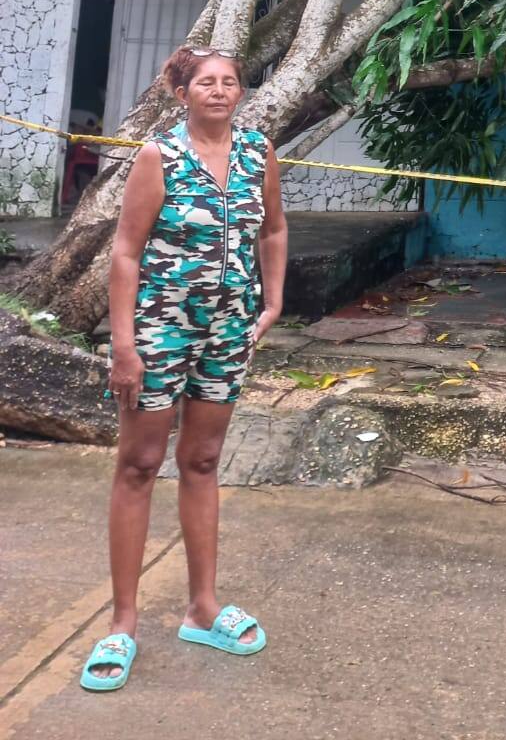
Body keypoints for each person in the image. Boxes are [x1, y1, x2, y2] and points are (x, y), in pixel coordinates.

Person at [79, 46, 288, 692]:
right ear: (183, 92)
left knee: (201, 462)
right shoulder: (158, 157)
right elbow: (124, 253)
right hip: (159, 332)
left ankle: (202, 607)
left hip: (228, 333)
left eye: (229, 82)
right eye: (207, 83)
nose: (220, 92)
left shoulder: (258, 155)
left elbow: (274, 230)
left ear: (239, 93)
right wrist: (123, 346)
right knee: (139, 464)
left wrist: (273, 299)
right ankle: (122, 621)